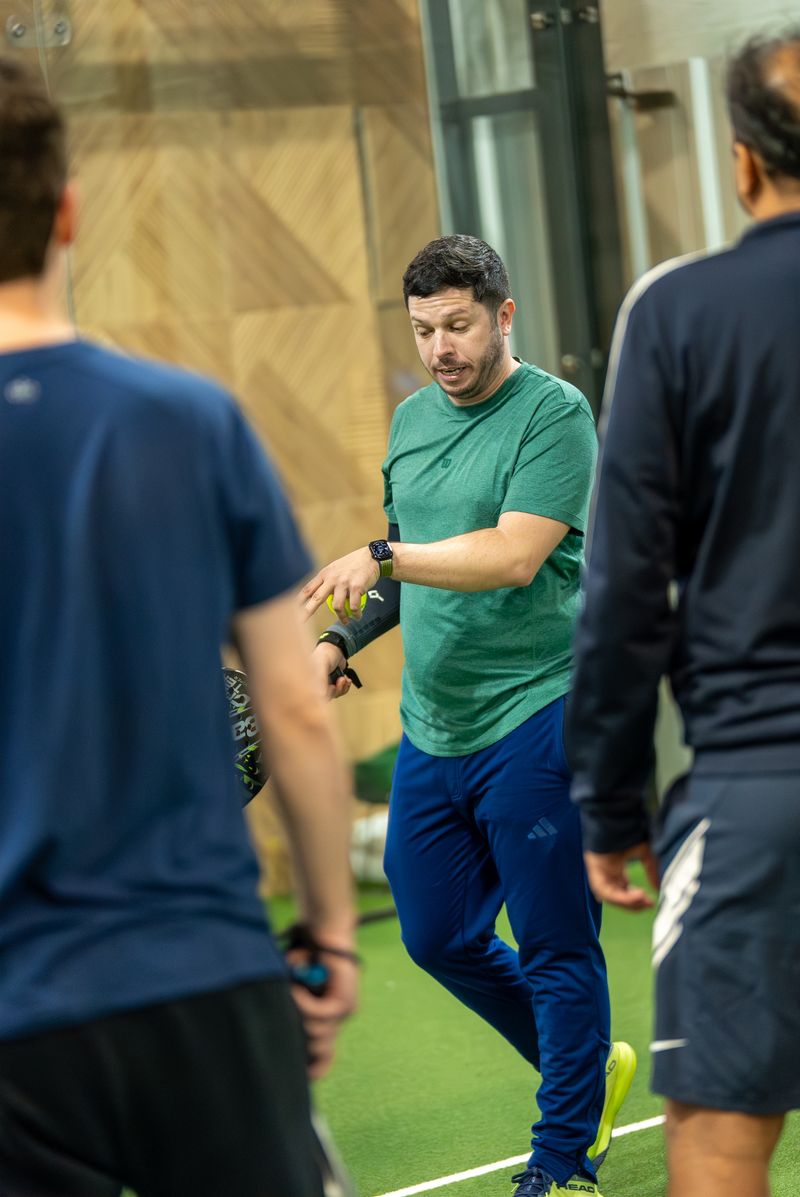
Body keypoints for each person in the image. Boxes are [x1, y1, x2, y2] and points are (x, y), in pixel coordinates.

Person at [0, 57, 357, 1197]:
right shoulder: (194, 422)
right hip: (200, 982)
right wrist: (329, 931)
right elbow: (293, 707)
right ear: (68, 211)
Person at [302, 234, 636, 1197]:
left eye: (457, 325)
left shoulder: (555, 414)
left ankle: (562, 1157)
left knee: (556, 942)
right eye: (423, 330)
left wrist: (385, 555)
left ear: (503, 315)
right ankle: (586, 1070)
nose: (440, 347)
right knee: (436, 933)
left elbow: (513, 554)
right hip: (433, 727)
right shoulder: (411, 421)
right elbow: (404, 565)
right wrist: (340, 641)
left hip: (537, 712)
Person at [565, 29, 800, 1197]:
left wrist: (608, 803)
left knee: (715, 1137)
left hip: (758, 787)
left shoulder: (676, 312)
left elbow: (622, 588)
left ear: (740, 162)